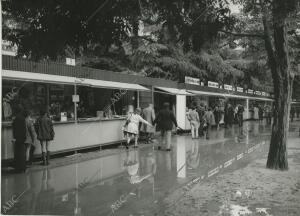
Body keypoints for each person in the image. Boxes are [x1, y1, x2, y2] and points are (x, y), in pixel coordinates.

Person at [12, 107, 27, 172]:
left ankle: (17, 167)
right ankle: (22, 167)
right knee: (22, 154)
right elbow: (24, 130)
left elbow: (14, 129)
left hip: (16, 138)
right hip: (22, 138)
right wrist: (24, 138)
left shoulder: (15, 119)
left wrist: (15, 138)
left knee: (17, 153)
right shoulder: (23, 119)